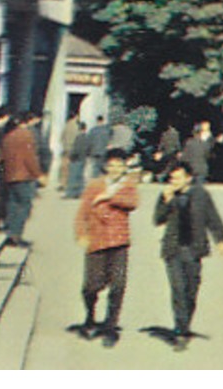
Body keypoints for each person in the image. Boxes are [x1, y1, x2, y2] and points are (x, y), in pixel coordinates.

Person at [153, 162, 223, 352]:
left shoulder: (201, 195)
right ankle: (180, 331)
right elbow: (157, 219)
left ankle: (184, 324)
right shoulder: (167, 195)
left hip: (194, 249)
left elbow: (213, 217)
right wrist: (166, 201)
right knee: (178, 289)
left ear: (188, 178)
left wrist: (221, 239)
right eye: (172, 178)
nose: (174, 182)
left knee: (191, 291)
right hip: (173, 249)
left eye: (178, 178)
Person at [73, 148, 139, 347]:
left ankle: (111, 327)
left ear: (125, 167)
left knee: (118, 285)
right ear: (105, 167)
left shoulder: (128, 185)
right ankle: (90, 316)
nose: (115, 169)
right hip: (97, 241)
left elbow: (133, 202)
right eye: (111, 165)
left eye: (119, 165)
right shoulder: (95, 185)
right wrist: (81, 234)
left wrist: (108, 197)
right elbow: (82, 212)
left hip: (119, 242)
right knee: (91, 286)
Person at [2, 111, 49, 246]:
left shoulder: (8, 136)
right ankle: (16, 235)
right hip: (24, 176)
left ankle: (10, 233)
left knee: (12, 205)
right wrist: (39, 175)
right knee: (24, 206)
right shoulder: (26, 135)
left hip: (10, 175)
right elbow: (30, 158)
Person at [64, 117, 91, 199]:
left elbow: (76, 149)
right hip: (83, 159)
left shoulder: (78, 138)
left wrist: (71, 156)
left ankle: (70, 193)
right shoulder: (87, 137)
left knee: (72, 177)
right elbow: (89, 148)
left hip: (76, 159)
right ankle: (80, 193)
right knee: (80, 177)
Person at [58, 116, 84, 194]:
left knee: (64, 167)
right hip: (73, 149)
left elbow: (61, 137)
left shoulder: (66, 125)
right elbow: (77, 138)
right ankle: (70, 184)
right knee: (72, 168)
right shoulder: (76, 127)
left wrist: (64, 145)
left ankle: (63, 183)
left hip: (65, 149)